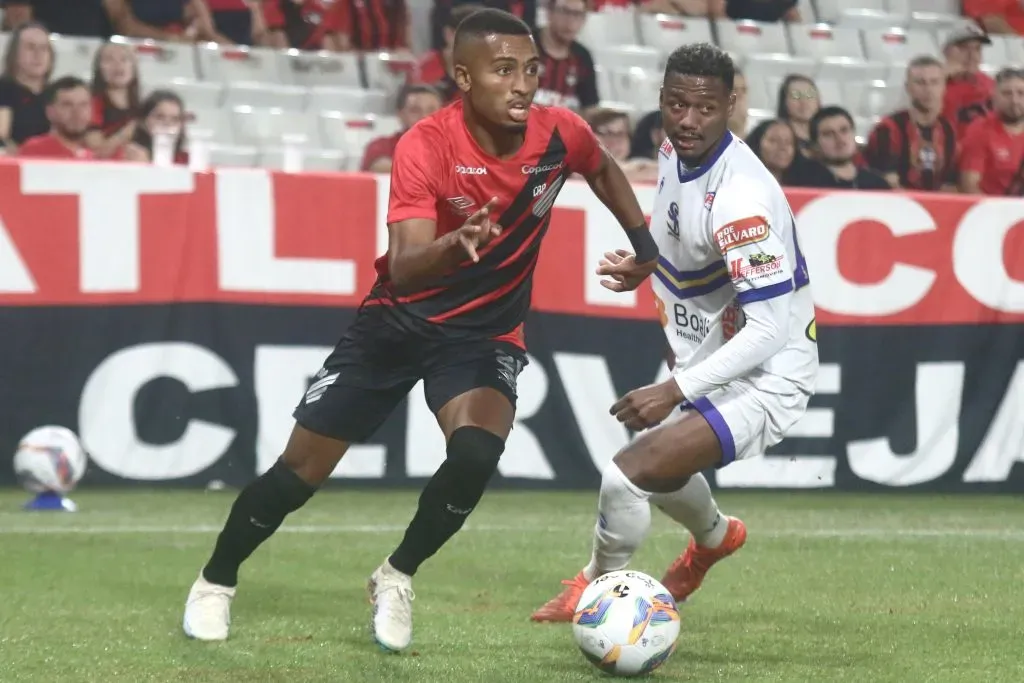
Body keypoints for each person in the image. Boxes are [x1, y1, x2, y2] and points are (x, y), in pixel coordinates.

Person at [182, 8, 658, 651]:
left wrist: (645, 248)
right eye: (503, 70)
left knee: (474, 455)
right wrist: (453, 243)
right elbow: (404, 267)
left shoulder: (559, 133)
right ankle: (216, 581)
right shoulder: (426, 145)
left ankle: (395, 575)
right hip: (396, 325)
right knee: (296, 475)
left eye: (530, 70)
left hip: (484, 336)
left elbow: (599, 166)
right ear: (463, 76)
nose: (522, 84)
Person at [530, 42, 818, 622]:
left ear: (730, 106)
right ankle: (714, 539)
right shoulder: (673, 151)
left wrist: (673, 391)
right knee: (663, 472)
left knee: (628, 474)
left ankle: (595, 592)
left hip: (765, 374)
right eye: (677, 104)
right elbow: (678, 228)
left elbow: (769, 329)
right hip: (708, 348)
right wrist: (647, 261)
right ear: (661, 100)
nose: (689, 120)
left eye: (706, 108)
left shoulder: (742, 202)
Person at [17, 76, 94, 159]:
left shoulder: (97, 154)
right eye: (67, 105)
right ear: (50, 112)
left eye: (83, 105)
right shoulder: (34, 150)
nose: (77, 112)